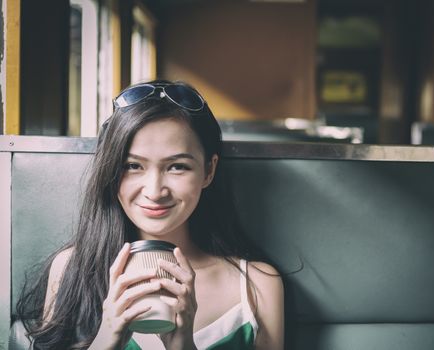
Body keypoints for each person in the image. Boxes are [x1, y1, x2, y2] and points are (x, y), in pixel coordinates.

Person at [15, 80, 284, 349]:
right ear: (111, 171)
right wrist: (105, 340)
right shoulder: (70, 269)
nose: (154, 191)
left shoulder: (257, 285)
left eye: (177, 166)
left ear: (209, 171)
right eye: (133, 166)